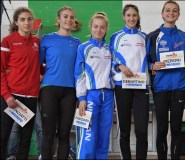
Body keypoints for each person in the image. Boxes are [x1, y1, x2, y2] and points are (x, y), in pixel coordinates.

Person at [146, 0, 185, 159]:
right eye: (168, 10)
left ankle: (175, 157)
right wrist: (153, 65)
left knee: (177, 127)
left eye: (174, 11)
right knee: (162, 128)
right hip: (160, 87)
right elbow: (145, 62)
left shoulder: (184, 37)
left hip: (179, 86)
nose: (171, 13)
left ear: (178, 14)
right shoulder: (152, 37)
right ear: (162, 13)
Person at [39, 6, 81, 159]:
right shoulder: (47, 39)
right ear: (58, 19)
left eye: (71, 17)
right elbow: (37, 64)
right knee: (48, 133)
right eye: (65, 16)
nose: (69, 19)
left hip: (70, 91)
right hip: (49, 89)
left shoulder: (78, 43)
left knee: (64, 134)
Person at [110, 4, 149, 159]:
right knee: (124, 130)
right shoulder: (116, 36)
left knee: (141, 130)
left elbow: (151, 58)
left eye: (134, 15)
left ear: (137, 17)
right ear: (124, 17)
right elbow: (110, 59)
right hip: (122, 87)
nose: (132, 18)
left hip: (141, 86)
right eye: (128, 15)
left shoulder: (145, 37)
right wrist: (119, 65)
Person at [1, 7, 40, 159]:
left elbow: (40, 65)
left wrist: (42, 74)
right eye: (22, 19)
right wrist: (6, 95)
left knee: (25, 138)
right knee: (3, 136)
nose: (27, 22)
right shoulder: (7, 41)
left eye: (29, 19)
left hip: (31, 97)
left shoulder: (37, 42)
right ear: (16, 22)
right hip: (11, 97)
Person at [74, 12, 114, 159]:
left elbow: (113, 71)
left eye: (102, 27)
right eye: (96, 26)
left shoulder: (110, 49)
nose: (99, 30)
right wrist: (82, 97)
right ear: (91, 27)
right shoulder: (83, 48)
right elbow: (79, 75)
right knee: (88, 135)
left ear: (106, 29)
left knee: (104, 135)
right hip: (90, 96)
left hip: (108, 96)